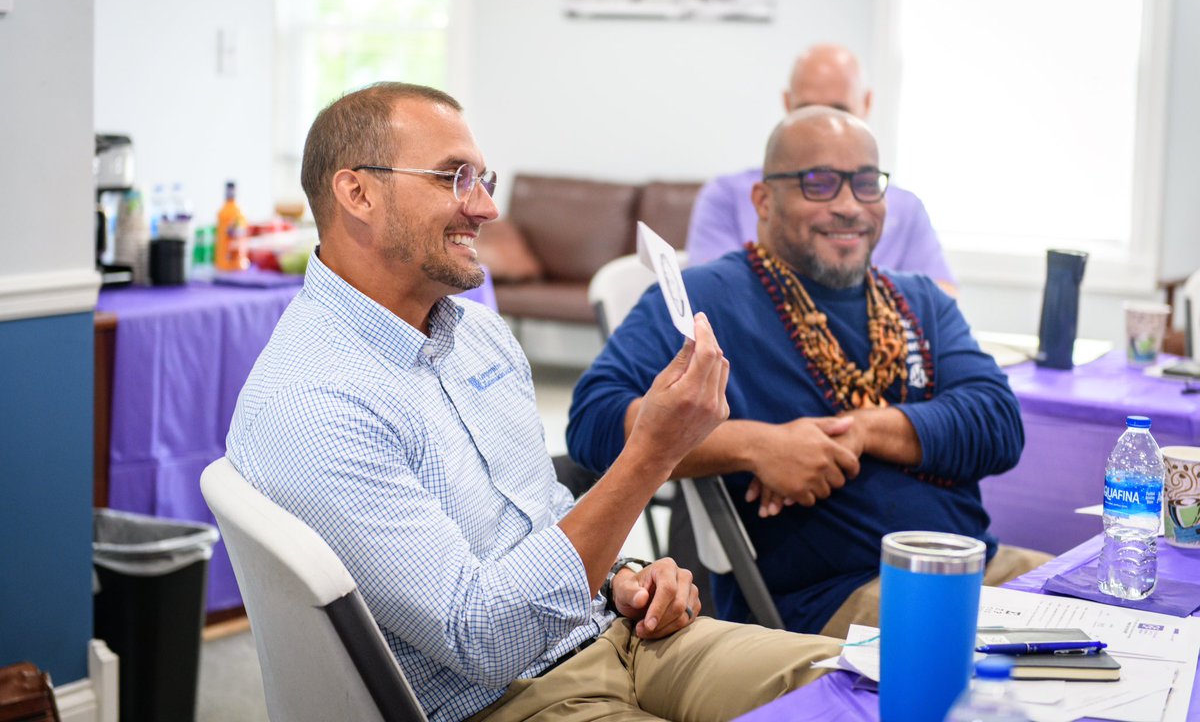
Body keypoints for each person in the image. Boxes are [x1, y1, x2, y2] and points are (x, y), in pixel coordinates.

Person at [224, 82, 844, 722]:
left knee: (868, 689)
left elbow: (541, 518)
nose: (487, 207)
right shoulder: (314, 401)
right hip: (508, 699)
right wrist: (651, 455)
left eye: (483, 178)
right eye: (454, 178)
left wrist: (622, 576)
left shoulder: (479, 336)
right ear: (357, 193)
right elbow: (480, 636)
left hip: (617, 635)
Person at [568, 106, 1049, 637]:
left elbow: (998, 426)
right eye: (819, 184)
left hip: (973, 566)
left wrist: (863, 430)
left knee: (1115, 612)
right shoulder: (705, 298)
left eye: (867, 184)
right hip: (836, 601)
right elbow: (594, 422)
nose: (849, 206)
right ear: (764, 200)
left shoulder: (920, 299)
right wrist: (756, 446)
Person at [686, 43, 957, 294]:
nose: (826, 125)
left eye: (839, 110)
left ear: (867, 103)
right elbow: (711, 294)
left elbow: (941, 301)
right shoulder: (727, 195)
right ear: (763, 201)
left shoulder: (906, 208)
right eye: (809, 109)